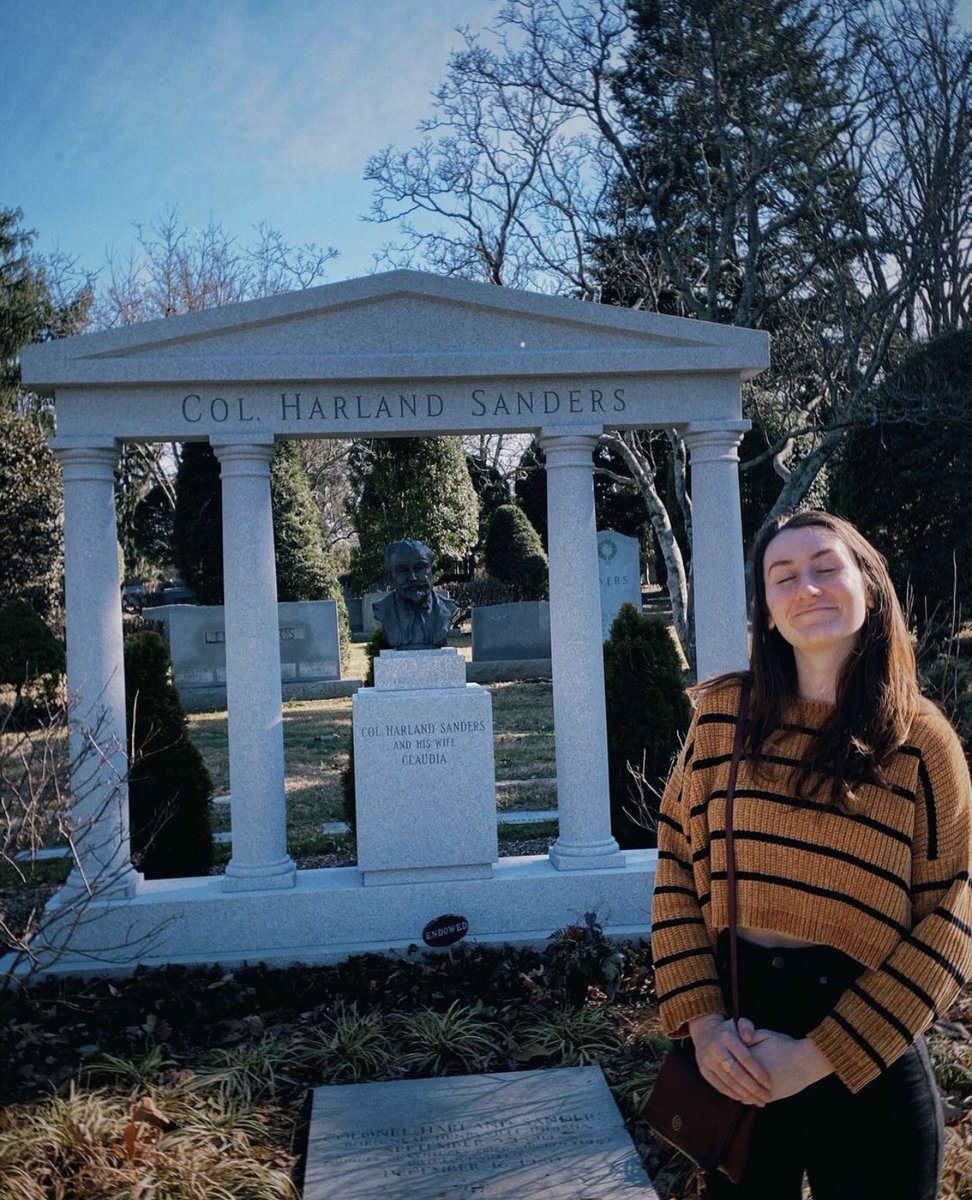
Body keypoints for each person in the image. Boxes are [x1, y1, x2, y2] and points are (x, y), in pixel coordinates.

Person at [652, 510, 971, 1199]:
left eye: (827, 567)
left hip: (867, 1051)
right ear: (766, 611)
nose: (809, 587)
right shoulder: (721, 720)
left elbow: (952, 913)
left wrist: (821, 1054)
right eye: (784, 575)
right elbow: (676, 867)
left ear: (869, 587)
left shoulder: (923, 742)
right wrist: (704, 1025)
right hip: (738, 1045)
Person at [371, 539, 457, 650]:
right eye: (403, 570)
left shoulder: (448, 609)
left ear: (433, 573)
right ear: (390, 578)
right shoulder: (382, 609)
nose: (412, 577)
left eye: (419, 568)